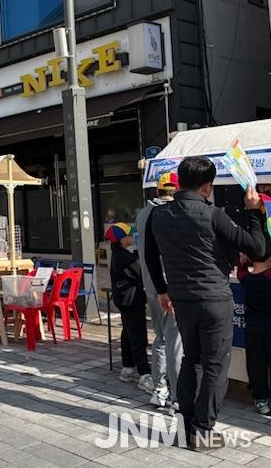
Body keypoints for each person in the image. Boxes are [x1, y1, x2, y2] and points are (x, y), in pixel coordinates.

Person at [145, 156, 267, 447]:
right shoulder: (214, 215)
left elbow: (149, 256)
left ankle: (187, 426)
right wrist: (253, 212)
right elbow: (258, 249)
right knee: (214, 366)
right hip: (214, 299)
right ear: (208, 186)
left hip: (181, 299)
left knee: (191, 359)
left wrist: (162, 290)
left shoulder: (158, 214)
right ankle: (203, 431)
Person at [136, 172, 184, 409]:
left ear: (157, 191)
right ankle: (176, 395)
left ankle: (159, 390)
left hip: (151, 285)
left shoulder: (143, 213)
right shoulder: (170, 214)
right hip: (169, 286)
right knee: (174, 341)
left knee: (161, 338)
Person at [106, 223, 152, 388]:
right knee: (138, 335)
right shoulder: (127, 258)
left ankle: (128, 368)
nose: (133, 237)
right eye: (130, 235)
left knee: (128, 333)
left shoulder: (117, 255)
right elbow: (143, 273)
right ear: (123, 239)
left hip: (124, 300)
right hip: (132, 301)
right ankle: (145, 374)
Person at [238, 231, 271, 415]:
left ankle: (260, 399)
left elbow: (241, 270)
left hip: (252, 328)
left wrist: (242, 260)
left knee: (256, 363)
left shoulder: (247, 279)